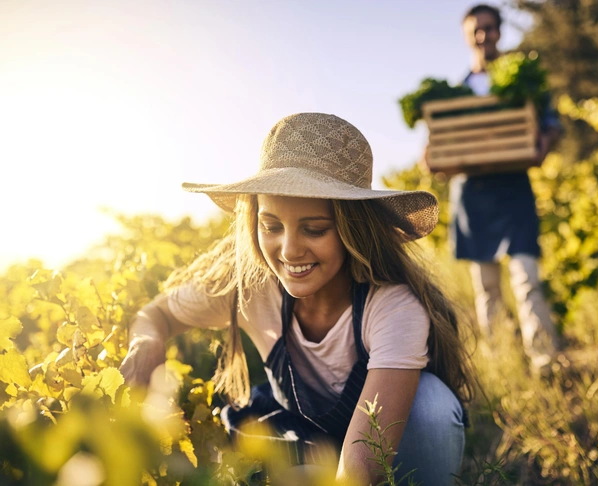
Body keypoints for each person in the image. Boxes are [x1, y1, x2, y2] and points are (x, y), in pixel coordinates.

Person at [120, 113, 478, 486]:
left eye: (314, 229)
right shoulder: (250, 285)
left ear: (352, 229)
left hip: (376, 453)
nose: (289, 251)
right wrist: (148, 341)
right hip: (298, 439)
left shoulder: (393, 307)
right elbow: (156, 314)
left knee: (431, 406)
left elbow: (358, 471)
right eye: (271, 226)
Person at [426, 4, 562, 371]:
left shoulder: (523, 81)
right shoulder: (455, 93)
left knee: (526, 277)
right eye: (476, 30)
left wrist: (544, 142)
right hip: (473, 196)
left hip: (514, 189)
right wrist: (433, 157)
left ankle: (544, 360)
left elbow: (551, 122)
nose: (483, 36)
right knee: (486, 287)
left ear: (500, 31)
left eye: (489, 28)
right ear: (467, 36)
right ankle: (500, 359)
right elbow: (438, 150)